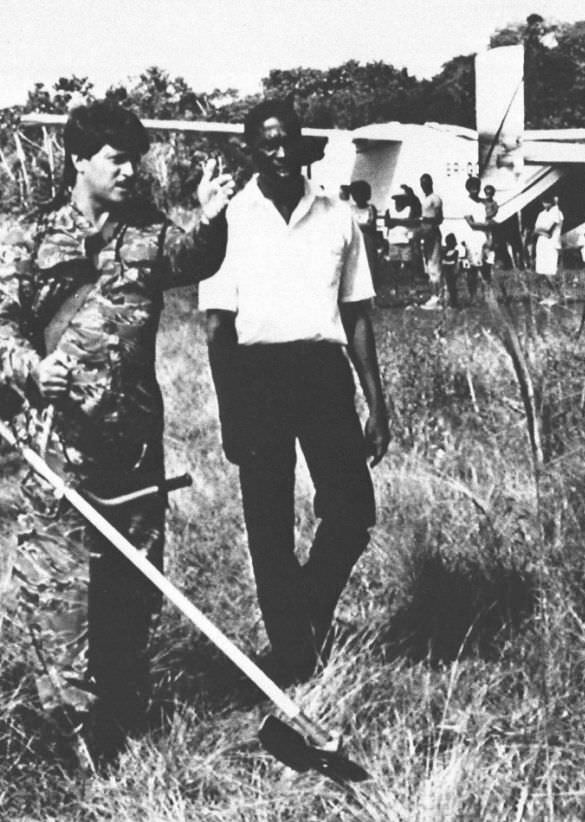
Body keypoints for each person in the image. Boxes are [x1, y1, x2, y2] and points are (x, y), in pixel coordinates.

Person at [0, 101, 235, 764]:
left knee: (131, 591)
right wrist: (32, 370)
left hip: (135, 449)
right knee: (61, 595)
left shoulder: (149, 231)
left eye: (135, 158)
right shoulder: (31, 241)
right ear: (78, 160)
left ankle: (123, 713)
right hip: (60, 450)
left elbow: (196, 260)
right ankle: (74, 734)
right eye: (116, 159)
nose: (130, 170)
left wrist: (211, 216)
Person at [201, 98, 390, 685]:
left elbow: (356, 313)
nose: (280, 154)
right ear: (252, 150)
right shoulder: (231, 218)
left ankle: (304, 611)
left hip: (322, 373)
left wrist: (377, 400)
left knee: (353, 511)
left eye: (288, 141)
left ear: (302, 143)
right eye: (267, 144)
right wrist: (230, 407)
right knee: (268, 520)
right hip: (255, 377)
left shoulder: (338, 217)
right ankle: (291, 656)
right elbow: (215, 326)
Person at [344, 181, 383, 291]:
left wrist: (356, 225)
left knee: (370, 267)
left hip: (368, 241)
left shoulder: (371, 208)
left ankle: (373, 296)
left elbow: (370, 225)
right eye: (355, 194)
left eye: (360, 193)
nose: (358, 196)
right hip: (355, 241)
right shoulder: (350, 209)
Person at [416, 173, 445, 309]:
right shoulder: (424, 199)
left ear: (431, 183)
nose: (424, 185)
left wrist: (428, 224)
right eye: (422, 183)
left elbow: (439, 218)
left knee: (435, 266)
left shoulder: (435, 199)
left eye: (426, 183)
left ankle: (438, 297)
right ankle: (434, 295)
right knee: (428, 265)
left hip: (432, 232)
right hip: (425, 232)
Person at [533, 194, 564, 304]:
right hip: (542, 244)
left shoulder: (557, 212)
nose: (545, 204)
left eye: (547, 201)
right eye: (543, 202)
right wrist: (540, 230)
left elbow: (548, 233)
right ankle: (551, 295)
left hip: (552, 245)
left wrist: (539, 230)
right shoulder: (541, 214)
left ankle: (558, 295)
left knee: (550, 272)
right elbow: (535, 230)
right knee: (541, 271)